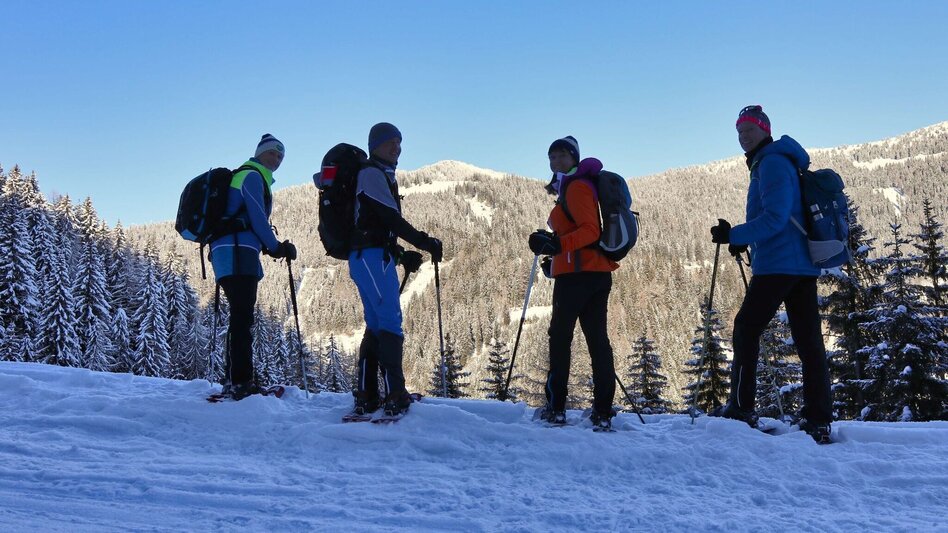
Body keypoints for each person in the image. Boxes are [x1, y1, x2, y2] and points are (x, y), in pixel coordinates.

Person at [709, 106, 833, 443]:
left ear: (765, 130)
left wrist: (733, 235)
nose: (743, 136)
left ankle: (740, 408)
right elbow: (777, 218)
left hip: (780, 264)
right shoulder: (774, 162)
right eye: (740, 131)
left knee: (746, 328)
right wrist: (743, 240)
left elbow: (776, 219)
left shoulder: (773, 163)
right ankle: (819, 420)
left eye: (750, 130)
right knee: (809, 342)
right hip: (798, 265)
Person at [348, 122, 443, 417]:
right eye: (390, 142)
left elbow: (375, 224)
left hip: (371, 256)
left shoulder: (380, 175)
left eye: (399, 143)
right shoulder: (372, 174)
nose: (396, 147)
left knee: (377, 324)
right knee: (390, 322)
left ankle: (367, 394)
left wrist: (401, 254)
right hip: (371, 257)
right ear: (374, 145)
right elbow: (390, 219)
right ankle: (394, 394)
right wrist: (424, 241)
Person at [528, 136, 619, 431]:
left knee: (560, 339)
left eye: (562, 156)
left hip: (579, 277)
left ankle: (556, 408)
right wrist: (555, 262)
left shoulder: (577, 187)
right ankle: (602, 411)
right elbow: (578, 238)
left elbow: (590, 232)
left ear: (574, 158)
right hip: (594, 274)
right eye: (552, 157)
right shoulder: (575, 186)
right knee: (597, 342)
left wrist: (557, 247)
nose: (556, 161)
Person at [210, 134, 296, 400]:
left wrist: (270, 246)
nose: (276, 159)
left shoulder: (247, 176)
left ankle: (235, 379)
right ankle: (241, 382)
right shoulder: (252, 176)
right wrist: (276, 246)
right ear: (260, 153)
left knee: (239, 317)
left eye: (280, 156)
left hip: (228, 252)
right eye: (272, 153)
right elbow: (257, 217)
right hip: (238, 252)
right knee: (242, 317)